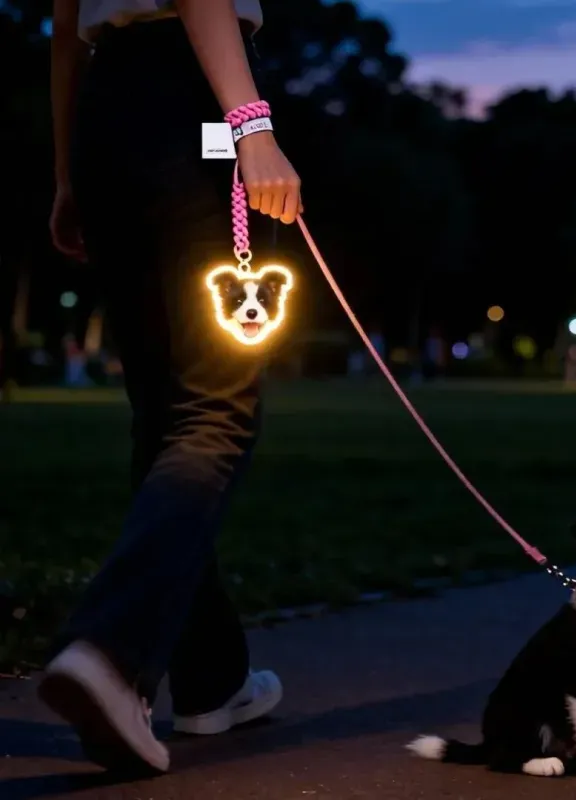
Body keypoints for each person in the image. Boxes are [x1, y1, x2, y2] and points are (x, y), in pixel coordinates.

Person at [41, 0, 302, 775]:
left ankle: (209, 680)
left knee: (162, 416)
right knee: (216, 410)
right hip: (194, 103)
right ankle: (113, 655)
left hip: (105, 118)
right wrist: (250, 124)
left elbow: (63, 32)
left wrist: (67, 174)